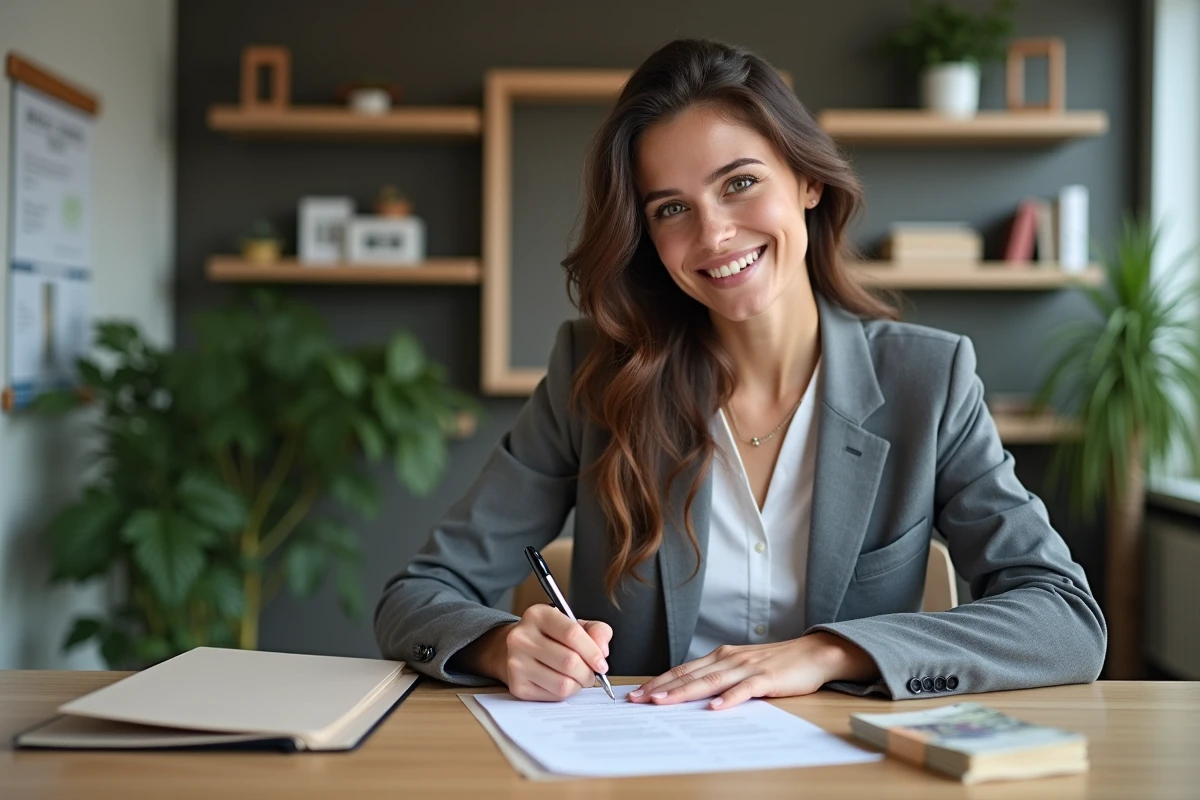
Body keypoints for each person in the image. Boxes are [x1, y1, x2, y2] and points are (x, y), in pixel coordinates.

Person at [374, 38, 1106, 709]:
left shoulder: (929, 381)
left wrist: (829, 652)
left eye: (740, 183)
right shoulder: (593, 374)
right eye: (672, 209)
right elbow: (418, 595)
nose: (714, 234)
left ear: (807, 181)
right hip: (642, 767)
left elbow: (1065, 618)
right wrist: (502, 645)